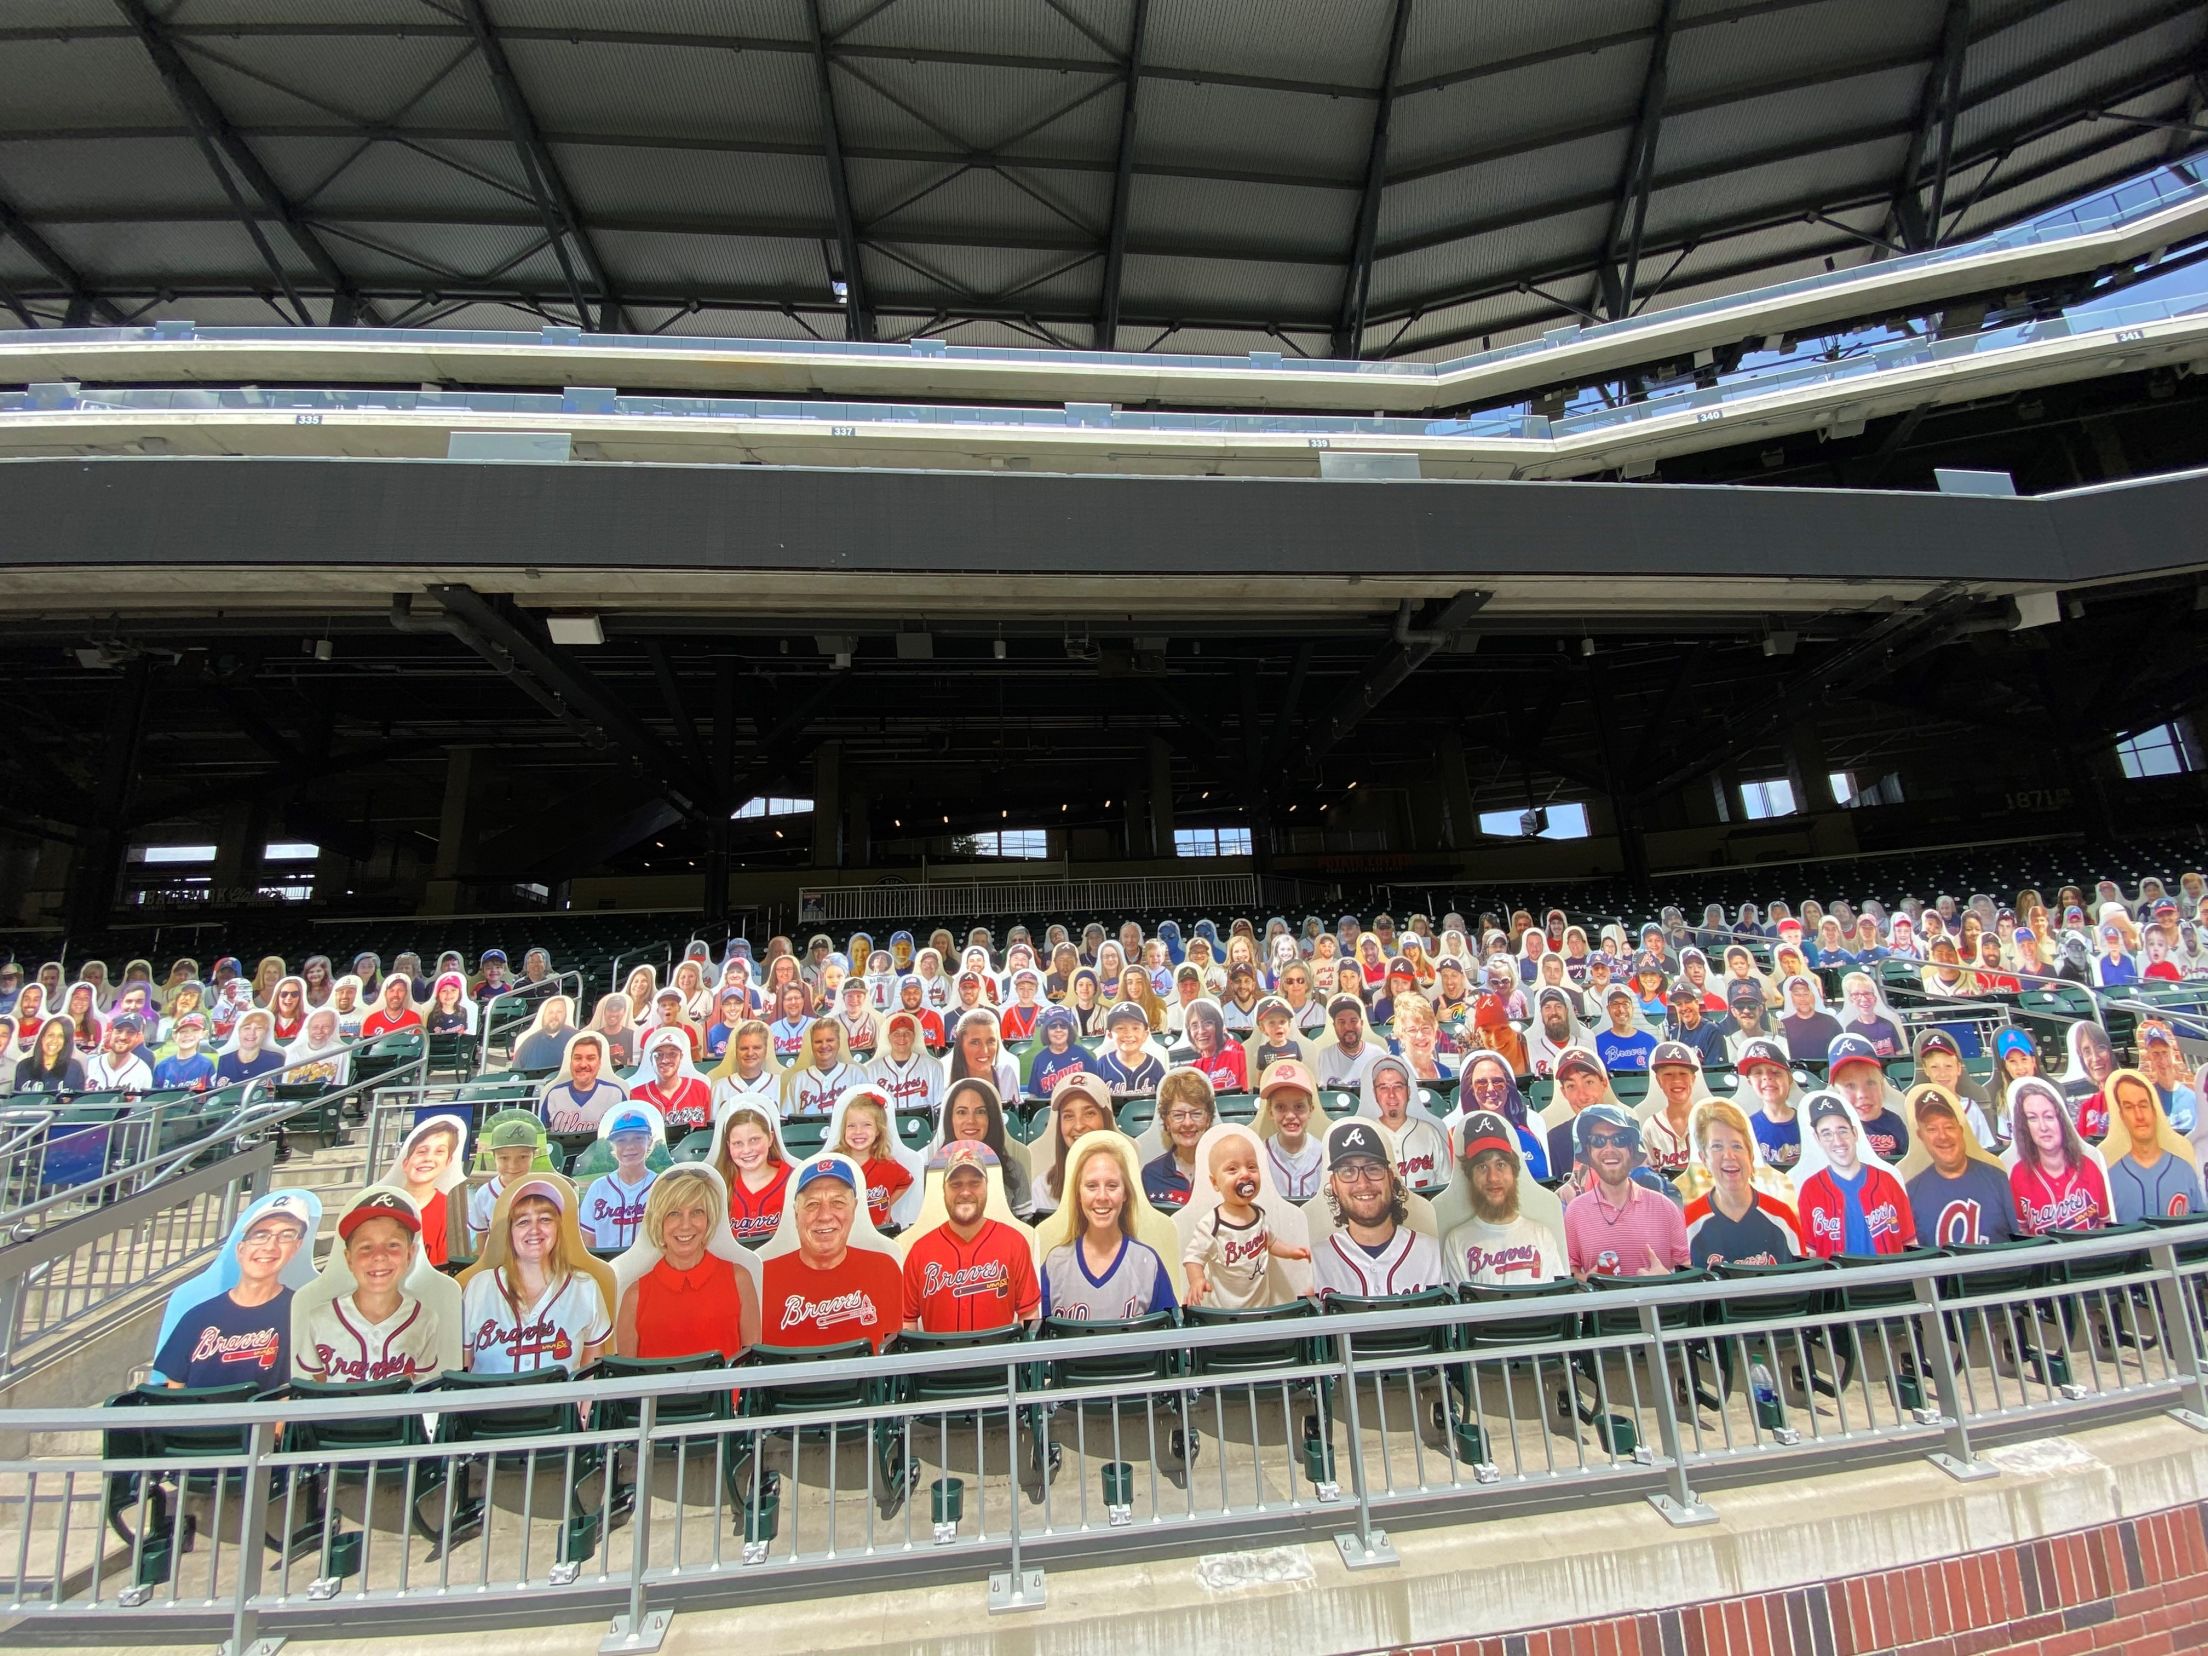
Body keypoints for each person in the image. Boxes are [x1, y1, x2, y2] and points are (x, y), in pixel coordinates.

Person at [152, 1192, 313, 1391]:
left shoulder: (302, 1314)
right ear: (240, 1250)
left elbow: (293, 1395)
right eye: (261, 1235)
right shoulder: (198, 1317)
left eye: (286, 1236)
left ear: (296, 1247)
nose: (270, 1246)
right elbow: (174, 1390)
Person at [461, 1177, 612, 1372]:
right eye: (523, 1222)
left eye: (545, 1219)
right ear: (511, 1233)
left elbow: (591, 1373)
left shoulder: (585, 1287)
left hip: (559, 1402)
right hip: (490, 1402)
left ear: (558, 1228)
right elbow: (464, 1367)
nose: (534, 1230)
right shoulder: (479, 1287)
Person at [296, 1191, 445, 1385]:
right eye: (366, 1247)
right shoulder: (318, 1319)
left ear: (410, 1254)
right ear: (349, 1258)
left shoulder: (425, 1319)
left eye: (392, 1245)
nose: (379, 1256)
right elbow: (317, 1381)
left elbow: (421, 1383)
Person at [613, 1168, 760, 1362]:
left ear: (709, 1220)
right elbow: (627, 1382)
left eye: (697, 1212)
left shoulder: (739, 1280)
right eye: (674, 1214)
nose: (685, 1225)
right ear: (659, 1222)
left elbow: (752, 1367)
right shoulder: (634, 1296)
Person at [758, 1158, 904, 1351]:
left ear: (854, 1209)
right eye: (812, 1204)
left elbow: (896, 1358)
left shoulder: (884, 1269)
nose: (825, 1215)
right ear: (796, 1214)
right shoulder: (762, 1277)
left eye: (838, 1202)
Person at [1037, 1132, 1179, 1320]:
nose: (1102, 1196)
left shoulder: (1147, 1262)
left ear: (1125, 1194)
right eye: (1091, 1186)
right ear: (1079, 1195)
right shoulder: (1056, 1264)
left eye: (1112, 1186)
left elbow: (1170, 1336)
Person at [900, 1142, 1041, 1332]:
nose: (965, 1192)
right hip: (940, 1360)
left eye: (974, 1183)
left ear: (986, 1187)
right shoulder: (920, 1251)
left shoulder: (1014, 1243)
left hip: (997, 1359)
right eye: (956, 1184)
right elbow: (906, 1322)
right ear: (944, 1191)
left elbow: (1029, 1316)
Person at [1308, 1119, 1448, 1298]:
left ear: (1390, 1178)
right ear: (1334, 1185)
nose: (1363, 1183)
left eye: (1373, 1169)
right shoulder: (1314, 1264)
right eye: (1348, 1171)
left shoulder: (1434, 1254)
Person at [1181, 1125, 1310, 1308]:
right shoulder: (1212, 1224)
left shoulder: (1259, 1214)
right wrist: (1197, 1280)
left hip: (1260, 1309)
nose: (1245, 1174)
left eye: (1251, 1167)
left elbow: (1270, 1243)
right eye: (1232, 1169)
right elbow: (1193, 1257)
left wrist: (1291, 1252)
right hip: (1223, 1313)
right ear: (1215, 1182)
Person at [1563, 1104, 1689, 1279]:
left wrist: (1666, 1279)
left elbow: (1687, 1270)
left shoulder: (1664, 1207)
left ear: (1631, 1149)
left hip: (1655, 1304)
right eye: (1598, 1141)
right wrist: (1587, 1282)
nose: (1609, 1149)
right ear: (1589, 1151)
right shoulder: (1575, 1212)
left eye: (1619, 1139)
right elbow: (1570, 1271)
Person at [1443, 1109, 1567, 1285]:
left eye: (1500, 1164)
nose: (1493, 1177)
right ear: (1469, 1176)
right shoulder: (1456, 1241)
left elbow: (1554, 1303)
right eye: (1482, 1167)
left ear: (1514, 1170)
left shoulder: (1541, 1235)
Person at [1681, 1101, 1803, 1267]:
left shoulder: (1782, 1217)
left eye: (1737, 1146)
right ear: (1704, 1159)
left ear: (1751, 1156)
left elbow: (1802, 1284)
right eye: (1717, 1146)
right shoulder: (1688, 1223)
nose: (1729, 1155)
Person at [1797, 1093, 1915, 1259]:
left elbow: (1910, 1242)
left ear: (1855, 1133)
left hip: (1890, 1282)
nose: (1837, 1141)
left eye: (1842, 1131)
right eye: (1827, 1134)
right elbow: (1811, 1253)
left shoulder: (1887, 1181)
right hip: (1838, 1282)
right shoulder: (1810, 1189)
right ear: (1817, 1139)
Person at [1902, 1085, 2018, 1246]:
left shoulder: (1997, 1179)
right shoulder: (1911, 1193)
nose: (1943, 1136)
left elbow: (2021, 1243)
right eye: (1932, 1129)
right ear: (1920, 1136)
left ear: (1961, 1130)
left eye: (1949, 1127)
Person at [2007, 1076, 2112, 1235]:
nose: (2043, 1127)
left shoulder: (2089, 1167)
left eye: (2049, 1116)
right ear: (2025, 1126)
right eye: (2032, 1118)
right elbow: (2022, 1233)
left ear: (2061, 1120)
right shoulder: (2018, 1174)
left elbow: (2105, 1225)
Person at [2102, 1068, 2205, 1223]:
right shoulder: (2110, 1179)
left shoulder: (2184, 1170)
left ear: (2155, 1110)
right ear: (2121, 1116)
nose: (2139, 1116)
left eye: (2143, 1105)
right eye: (2129, 1107)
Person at [936, 1076, 1033, 1216]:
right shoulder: (934, 1170)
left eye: (980, 1111)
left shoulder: (1013, 1169)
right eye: (962, 1112)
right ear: (950, 1119)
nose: (971, 1120)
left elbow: (1025, 1227)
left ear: (991, 1118)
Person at [1358, 1054, 1451, 1191]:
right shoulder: (1363, 1138)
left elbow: (1445, 1186)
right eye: (1383, 1087)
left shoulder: (1430, 1132)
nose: (1391, 1094)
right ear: (1375, 1094)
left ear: (1408, 1092)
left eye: (1398, 1086)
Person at [830, 1088, 914, 1230]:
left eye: (866, 1125)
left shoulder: (888, 1165)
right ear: (844, 1130)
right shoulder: (835, 1164)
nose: (858, 1132)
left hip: (879, 1233)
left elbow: (906, 1181)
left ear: (878, 1131)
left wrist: (887, 1204)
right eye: (851, 1126)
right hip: (845, 1234)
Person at [387, 1116, 464, 1268]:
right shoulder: (381, 1205)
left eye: (439, 1152)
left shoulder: (449, 1211)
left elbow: (444, 1272)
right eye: (422, 1151)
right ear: (405, 1163)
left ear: (448, 1162)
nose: (428, 1158)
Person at [581, 1108, 661, 1250]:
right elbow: (588, 1242)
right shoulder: (598, 1188)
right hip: (607, 1268)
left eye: (638, 1138)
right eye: (621, 1140)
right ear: (613, 1145)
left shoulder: (662, 1186)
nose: (629, 1146)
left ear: (649, 1141)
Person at [714, 1104, 793, 1244]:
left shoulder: (794, 1180)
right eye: (737, 1143)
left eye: (754, 1140)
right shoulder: (719, 1184)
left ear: (770, 1138)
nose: (747, 1150)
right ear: (728, 1145)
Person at [469, 1112, 548, 1250]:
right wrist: (484, 1267)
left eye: (523, 1157)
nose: (513, 1165)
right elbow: (481, 1234)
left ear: (533, 1155)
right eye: (504, 1158)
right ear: (494, 1157)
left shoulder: (545, 1191)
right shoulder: (485, 1193)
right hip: (498, 1262)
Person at [1828, 1033, 1909, 1163]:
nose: (1862, 1094)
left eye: (1870, 1083)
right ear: (1837, 1092)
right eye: (1850, 1085)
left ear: (1881, 1086)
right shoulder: (1831, 1129)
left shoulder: (1894, 1122)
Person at [1254, 1058, 1326, 1200]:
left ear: (1310, 1110)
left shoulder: (1323, 1154)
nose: (1290, 1115)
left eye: (1299, 1106)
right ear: (1270, 1112)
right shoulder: (1261, 1154)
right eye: (1280, 1107)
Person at [539, 1030, 627, 1133]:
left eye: (590, 1058)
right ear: (571, 1062)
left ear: (599, 1063)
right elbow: (542, 1136)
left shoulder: (615, 1094)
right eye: (577, 1058)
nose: (583, 1064)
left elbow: (625, 1136)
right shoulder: (554, 1095)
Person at [1639, 1040, 1705, 1176]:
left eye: (1683, 1074)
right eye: (1668, 1075)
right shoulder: (1651, 1127)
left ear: (1693, 1078)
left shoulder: (1708, 1122)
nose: (1676, 1080)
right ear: (1658, 1080)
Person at [1093, 1001, 1167, 1097]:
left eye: (1135, 1028)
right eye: (1120, 1028)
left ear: (1145, 1034)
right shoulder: (1101, 1065)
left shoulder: (1155, 1066)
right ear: (1109, 1034)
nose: (1128, 1034)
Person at [1316, 993, 1384, 1089]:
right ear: (1334, 1026)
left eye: (1353, 1021)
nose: (1348, 1027)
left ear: (1362, 1023)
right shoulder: (1324, 1056)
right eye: (1341, 1022)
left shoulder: (1378, 1054)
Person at [1777, 975, 1844, 1064]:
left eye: (1806, 994)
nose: (1802, 999)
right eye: (1797, 994)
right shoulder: (1782, 1025)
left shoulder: (1831, 1022)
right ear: (1791, 998)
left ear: (1814, 996)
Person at [1592, 984, 1657, 1073]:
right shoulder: (1597, 1043)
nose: (1621, 1009)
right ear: (1608, 1009)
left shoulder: (1650, 1041)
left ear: (1632, 1008)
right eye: (1615, 1004)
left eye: (1625, 1004)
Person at [85, 1012, 154, 1091]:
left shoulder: (143, 1071)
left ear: (137, 1037)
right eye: (119, 1031)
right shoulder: (90, 1065)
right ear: (110, 1033)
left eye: (130, 1032)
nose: (123, 1037)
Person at [511, 994, 577, 1072]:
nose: (554, 1016)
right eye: (550, 1012)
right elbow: (516, 1072)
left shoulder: (577, 1038)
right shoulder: (527, 1041)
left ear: (566, 1014)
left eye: (559, 1012)